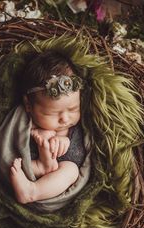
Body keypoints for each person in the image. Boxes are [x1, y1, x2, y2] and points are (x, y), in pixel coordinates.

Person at [9, 51, 86, 204]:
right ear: (28, 105)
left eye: (73, 109)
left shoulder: (76, 128)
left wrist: (62, 140)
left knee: (71, 170)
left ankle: (32, 191)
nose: (65, 118)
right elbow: (9, 144)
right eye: (52, 113)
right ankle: (40, 167)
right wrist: (39, 135)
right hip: (26, 168)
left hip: (56, 179)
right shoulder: (24, 120)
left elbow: (81, 156)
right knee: (10, 164)